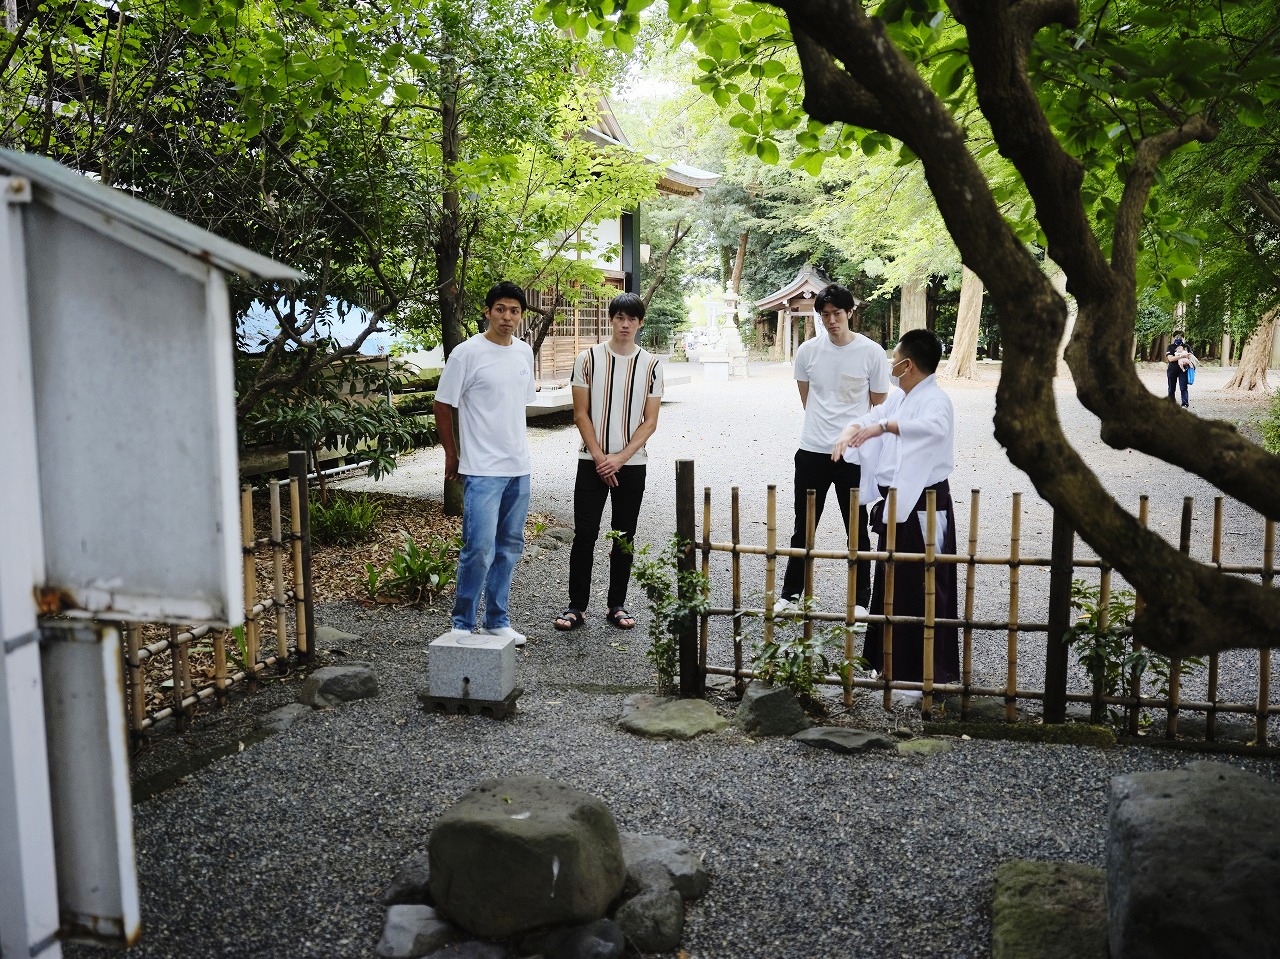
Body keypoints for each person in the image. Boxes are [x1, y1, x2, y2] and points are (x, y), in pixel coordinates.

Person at [832, 328, 959, 693]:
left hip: (927, 502)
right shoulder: (902, 397)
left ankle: (923, 674)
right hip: (898, 498)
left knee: (925, 583)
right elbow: (871, 415)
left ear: (908, 364)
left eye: (895, 359)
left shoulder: (936, 400)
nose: (891, 365)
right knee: (893, 581)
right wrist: (851, 430)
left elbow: (932, 429)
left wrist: (884, 428)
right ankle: (890, 664)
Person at [776, 283, 890, 619]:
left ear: (850, 312)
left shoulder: (872, 352)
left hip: (853, 454)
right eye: (825, 315)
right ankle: (791, 594)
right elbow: (806, 399)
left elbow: (879, 405)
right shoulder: (808, 352)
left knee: (855, 528)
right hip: (811, 449)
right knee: (803, 526)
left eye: (837, 314)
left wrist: (852, 434)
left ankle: (859, 600)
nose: (831, 321)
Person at [433, 281, 536, 647]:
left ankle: (497, 620)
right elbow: (443, 403)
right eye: (501, 309)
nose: (507, 317)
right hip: (481, 469)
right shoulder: (467, 353)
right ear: (488, 311)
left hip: (518, 467)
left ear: (521, 316)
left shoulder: (524, 353)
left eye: (514, 311)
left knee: (510, 546)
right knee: (478, 547)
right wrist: (452, 452)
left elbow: (517, 406)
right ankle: (462, 622)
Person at [555, 293, 664, 632]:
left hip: (631, 464)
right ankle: (576, 606)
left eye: (632, 318)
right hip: (591, 461)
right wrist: (602, 457)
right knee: (585, 533)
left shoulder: (652, 365)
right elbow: (580, 412)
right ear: (611, 319)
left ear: (640, 322)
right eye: (619, 317)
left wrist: (619, 458)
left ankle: (617, 604)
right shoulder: (587, 359)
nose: (625, 324)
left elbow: (650, 421)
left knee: (624, 535)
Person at [1166, 331, 1193, 408]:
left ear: (1183, 338)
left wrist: (1184, 360)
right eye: (1177, 337)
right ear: (1174, 337)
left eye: (1180, 337)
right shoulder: (1170, 347)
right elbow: (1170, 359)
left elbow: (1190, 357)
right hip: (1172, 370)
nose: (1178, 338)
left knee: (1183, 387)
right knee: (1171, 388)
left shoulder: (1187, 347)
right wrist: (1182, 356)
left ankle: (1185, 404)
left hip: (1183, 370)